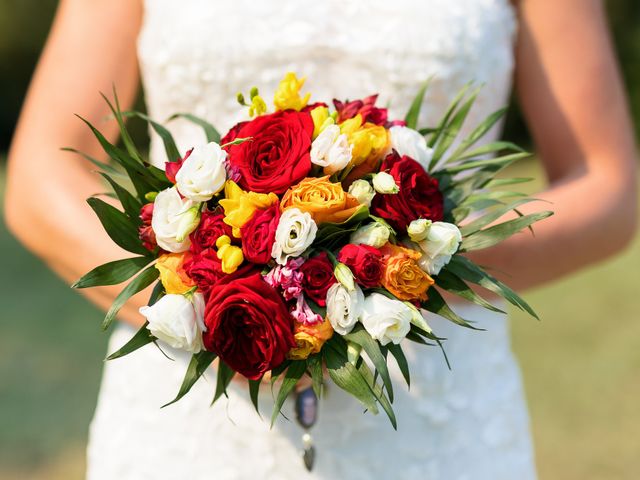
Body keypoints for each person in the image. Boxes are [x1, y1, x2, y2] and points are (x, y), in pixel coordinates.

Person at [4, 0, 637, 479]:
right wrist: (208, 310)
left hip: (437, 415)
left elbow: (608, 185)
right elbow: (39, 178)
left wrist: (406, 269)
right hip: (191, 417)